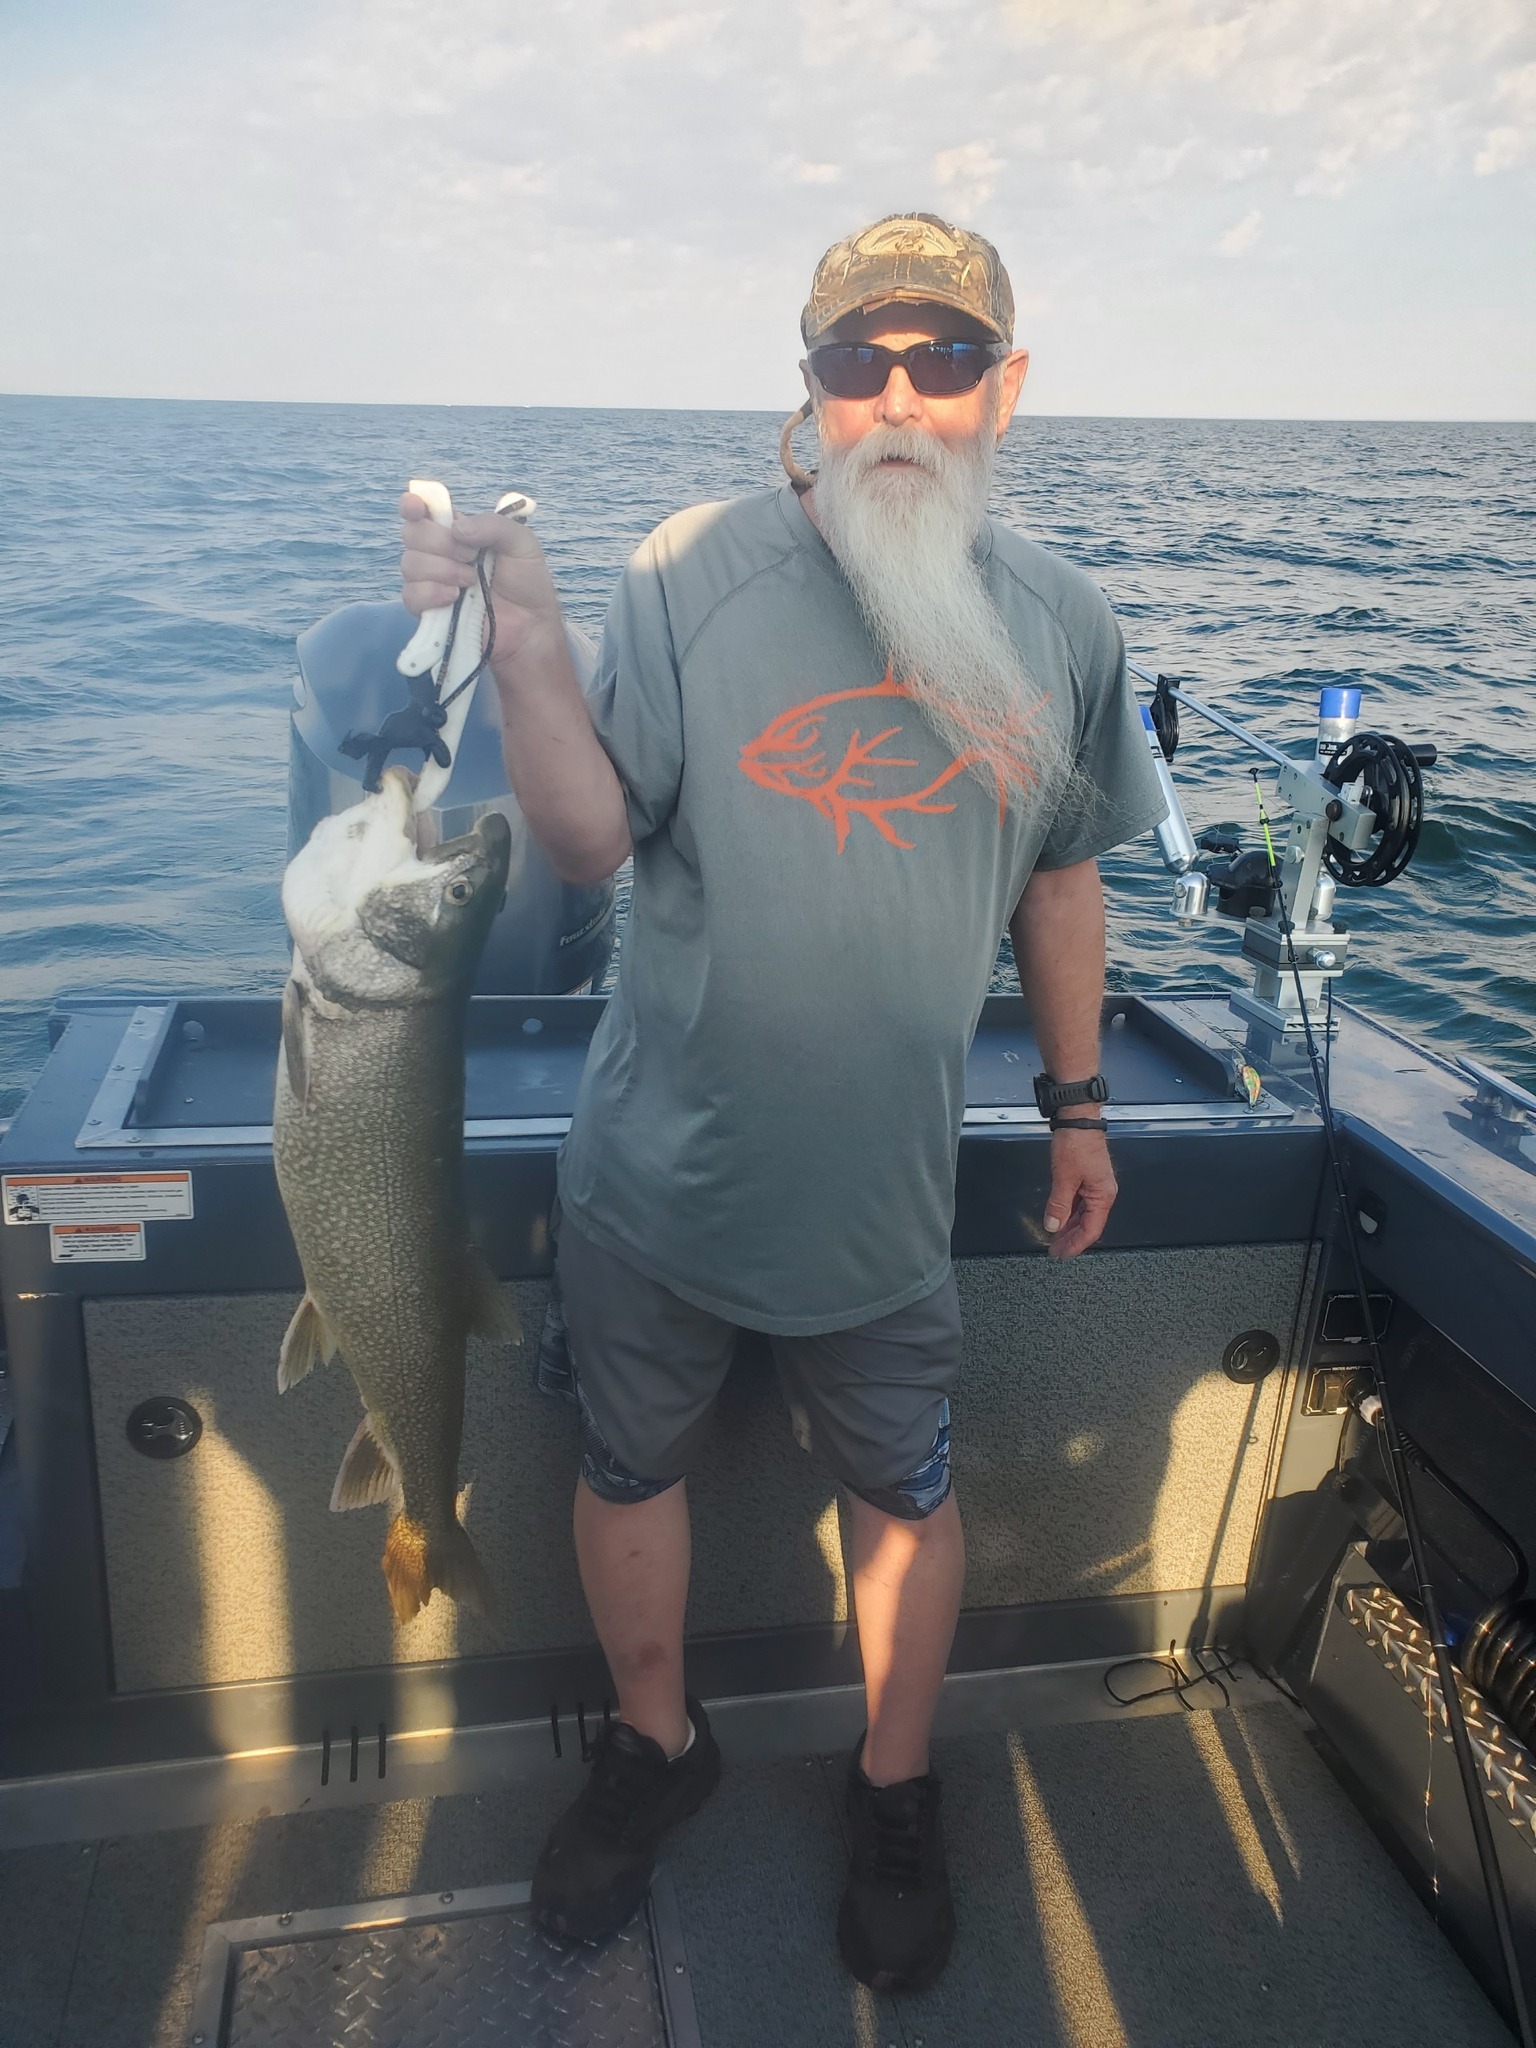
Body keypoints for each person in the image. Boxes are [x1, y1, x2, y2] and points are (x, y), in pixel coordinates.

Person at [399, 212, 1165, 1993]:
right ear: (808, 389)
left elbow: (1063, 879)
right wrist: (528, 635)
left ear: (1007, 388)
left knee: (904, 1497)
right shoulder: (688, 571)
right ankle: (654, 1743)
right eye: (853, 360)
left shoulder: (1064, 623)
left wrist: (1077, 1107)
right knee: (625, 1468)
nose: (896, 396)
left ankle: (894, 1785)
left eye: (942, 358)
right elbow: (587, 842)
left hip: (886, 1203)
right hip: (653, 1180)